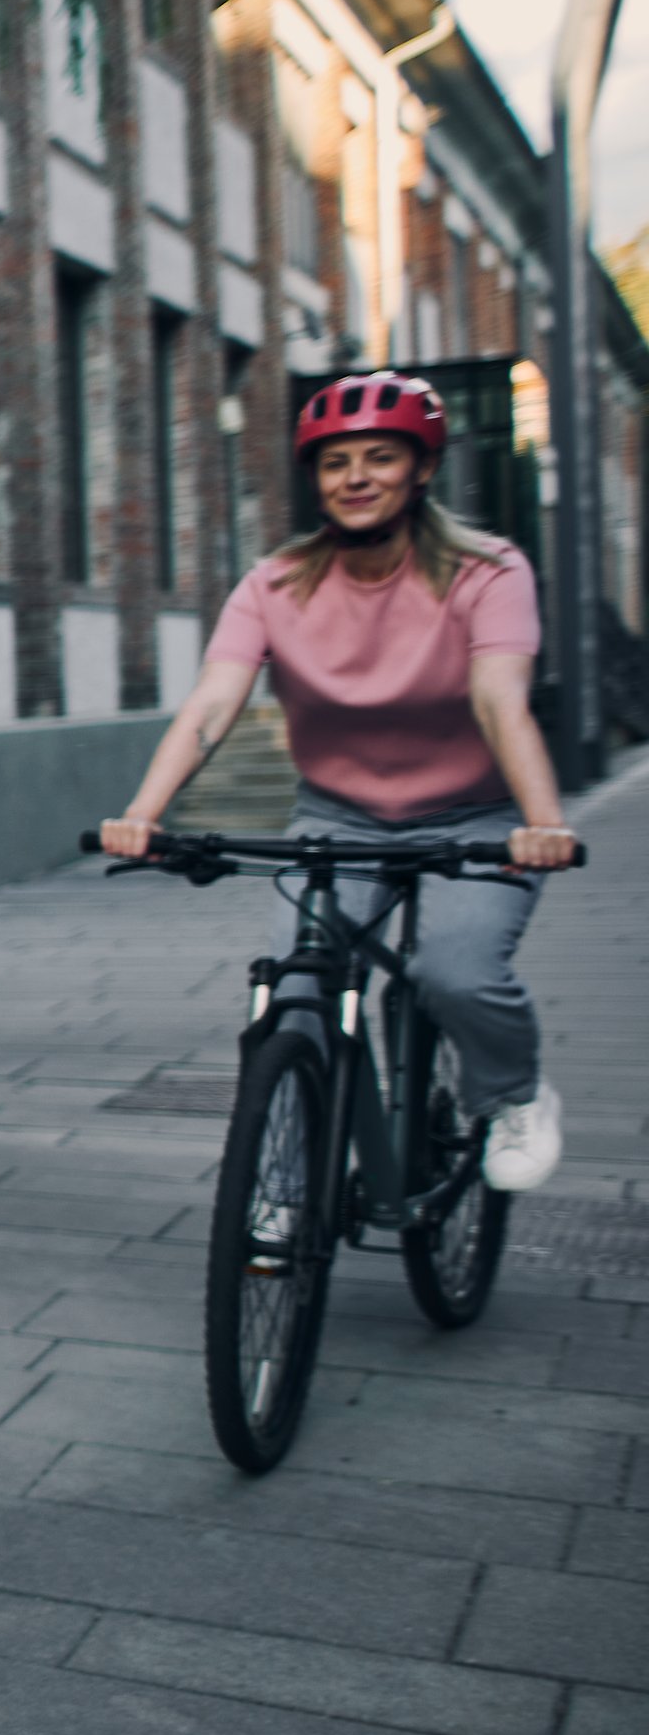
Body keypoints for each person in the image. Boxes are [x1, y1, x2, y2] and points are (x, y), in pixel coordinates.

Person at [103, 369, 579, 1191]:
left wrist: (542, 823)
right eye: (334, 462)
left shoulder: (488, 572)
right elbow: (214, 703)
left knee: (453, 972)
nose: (355, 477)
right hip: (340, 821)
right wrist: (144, 812)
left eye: (380, 456)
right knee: (297, 1001)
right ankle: (284, 1187)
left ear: (421, 468)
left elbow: (500, 703)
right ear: (314, 477)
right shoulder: (275, 584)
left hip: (473, 816)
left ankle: (514, 1095)